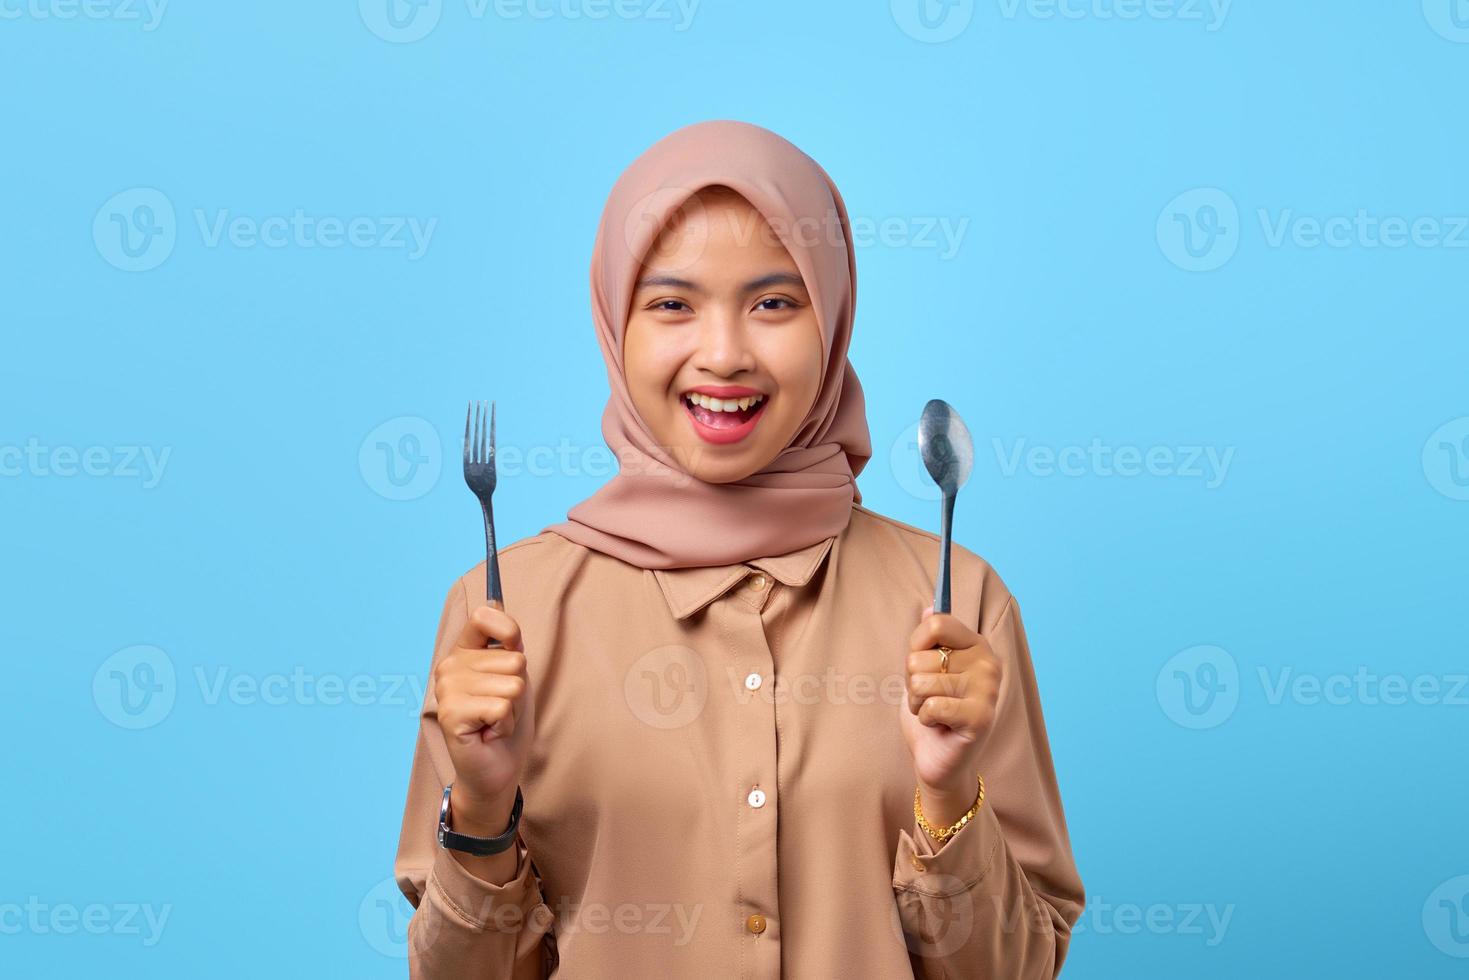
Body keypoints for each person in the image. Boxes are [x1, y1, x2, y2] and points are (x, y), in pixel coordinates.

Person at [393, 119, 1085, 978]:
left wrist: (946, 800)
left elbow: (1012, 971)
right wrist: (484, 808)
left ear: (831, 319)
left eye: (773, 303)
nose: (723, 355)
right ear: (615, 322)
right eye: (672, 304)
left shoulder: (956, 606)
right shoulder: (503, 614)